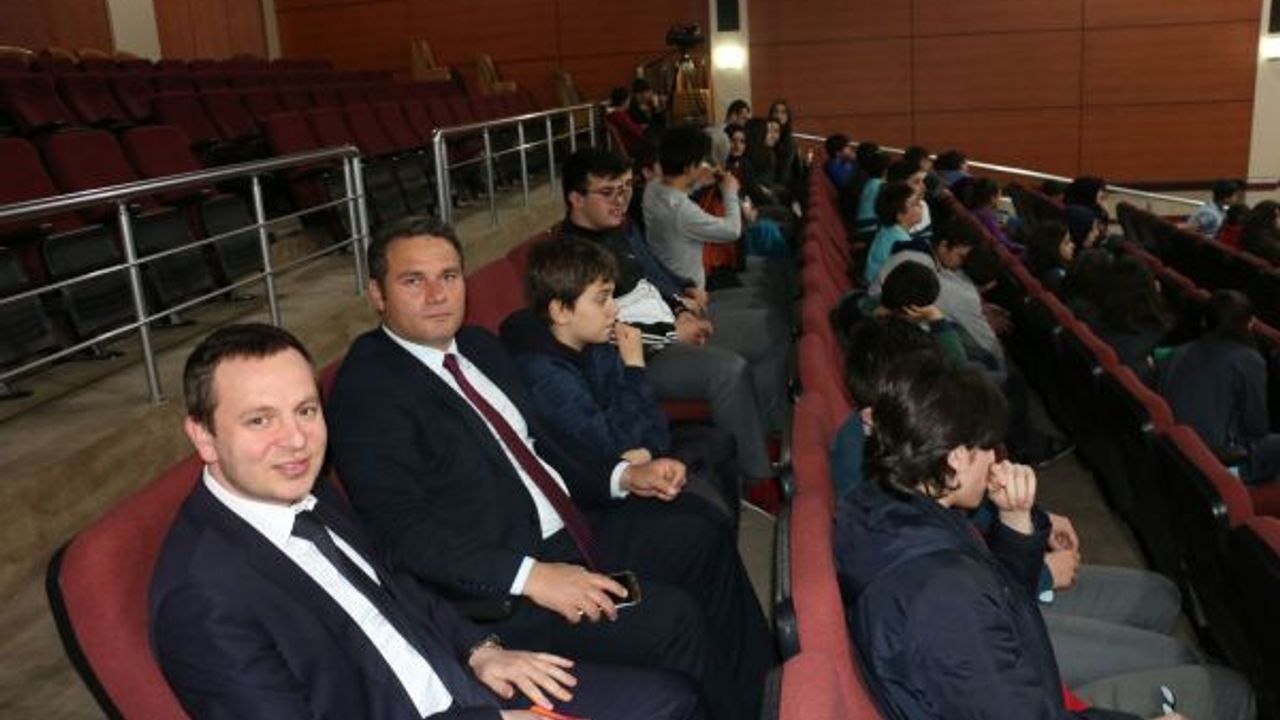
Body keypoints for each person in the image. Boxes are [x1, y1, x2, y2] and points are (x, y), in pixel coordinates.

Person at [326, 217, 776, 720]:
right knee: (673, 620)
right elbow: (401, 535)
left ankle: (764, 696)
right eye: (414, 280)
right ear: (377, 294)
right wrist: (531, 576)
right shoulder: (367, 391)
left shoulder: (478, 347)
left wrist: (621, 477)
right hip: (504, 585)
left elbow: (541, 451)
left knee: (702, 531)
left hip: (572, 528)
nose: (437, 295)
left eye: (448, 276)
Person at [151, 323, 701, 720]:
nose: (295, 440)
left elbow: (399, 585)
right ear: (203, 436)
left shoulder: (307, 493)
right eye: (259, 420)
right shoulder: (201, 599)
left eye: (306, 410)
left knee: (670, 699)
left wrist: (482, 652)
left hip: (460, 681)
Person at [836, 356, 1257, 720]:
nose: (994, 458)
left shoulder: (891, 504)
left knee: (1168, 617)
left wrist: (1015, 519)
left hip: (1023, 666)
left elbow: (1001, 595)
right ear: (958, 458)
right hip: (1035, 693)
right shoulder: (940, 597)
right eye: (987, 447)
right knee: (1229, 692)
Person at [563, 147, 787, 486]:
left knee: (770, 328)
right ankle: (759, 479)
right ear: (576, 199)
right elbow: (599, 333)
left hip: (667, 324)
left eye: (625, 188)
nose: (621, 200)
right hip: (636, 357)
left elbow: (651, 276)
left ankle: (762, 436)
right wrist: (671, 331)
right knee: (729, 371)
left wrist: (680, 306)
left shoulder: (618, 227)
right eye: (608, 192)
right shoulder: (572, 257)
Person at [500, 238, 740, 520]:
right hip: (600, 493)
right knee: (701, 495)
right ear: (561, 311)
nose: (614, 309)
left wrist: (647, 449)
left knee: (717, 443)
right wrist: (634, 367)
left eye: (612, 296)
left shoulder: (596, 344)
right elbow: (611, 451)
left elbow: (653, 423)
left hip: (638, 458)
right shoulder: (546, 377)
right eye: (601, 299)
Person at [1159, 290, 1279, 484]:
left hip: (1172, 455)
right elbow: (1257, 427)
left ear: (1205, 321)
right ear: (1249, 325)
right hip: (1216, 462)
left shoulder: (1174, 355)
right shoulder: (1249, 360)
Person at [863, 181, 922, 284]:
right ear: (900, 215)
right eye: (915, 204)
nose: (921, 205)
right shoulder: (902, 241)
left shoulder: (888, 229)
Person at [1028, 219, 1076, 293]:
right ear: (1052, 248)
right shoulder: (1057, 277)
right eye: (1066, 243)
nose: (1073, 246)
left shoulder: (1044, 268)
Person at [604, 86, 647, 157]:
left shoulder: (613, 114)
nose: (629, 102)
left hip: (627, 144)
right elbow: (634, 130)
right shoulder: (619, 115)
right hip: (630, 146)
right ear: (623, 101)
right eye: (628, 100)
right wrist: (642, 127)